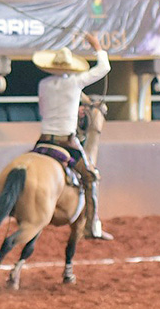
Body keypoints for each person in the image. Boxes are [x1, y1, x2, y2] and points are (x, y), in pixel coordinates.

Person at [32, 32, 113, 241]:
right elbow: (104, 68)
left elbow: (43, 109)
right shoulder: (75, 82)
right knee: (91, 177)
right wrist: (97, 46)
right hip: (66, 141)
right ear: (71, 67)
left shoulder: (43, 84)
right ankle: (92, 225)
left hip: (43, 140)